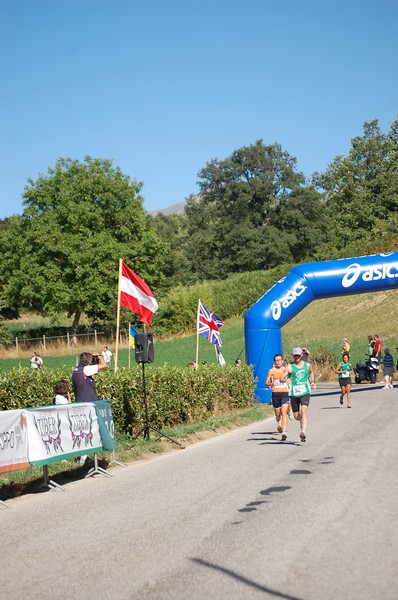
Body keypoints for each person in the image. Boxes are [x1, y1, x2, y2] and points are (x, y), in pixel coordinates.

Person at [72, 351, 108, 465]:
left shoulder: (76, 370)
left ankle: (84, 456)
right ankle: (84, 458)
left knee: (83, 431)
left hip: (80, 403)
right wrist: (99, 356)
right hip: (88, 404)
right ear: (89, 361)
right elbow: (105, 365)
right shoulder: (86, 369)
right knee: (89, 430)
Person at [280, 347, 316, 442]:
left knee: (304, 412)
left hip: (305, 392)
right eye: (295, 355)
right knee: (296, 416)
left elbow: (311, 372)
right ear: (293, 356)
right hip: (294, 393)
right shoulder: (289, 367)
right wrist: (286, 380)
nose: (297, 357)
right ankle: (301, 420)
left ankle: (303, 431)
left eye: (298, 355)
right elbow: (281, 378)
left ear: (301, 355)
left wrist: (312, 381)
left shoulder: (307, 365)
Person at [265, 354, 290, 441]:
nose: (278, 362)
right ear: (274, 362)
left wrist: (290, 381)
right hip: (275, 393)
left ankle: (284, 432)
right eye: (276, 360)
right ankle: (278, 422)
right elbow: (266, 383)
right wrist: (271, 384)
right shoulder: (271, 371)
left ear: (282, 361)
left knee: (284, 413)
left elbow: (292, 378)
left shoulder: (286, 370)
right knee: (277, 414)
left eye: (279, 360)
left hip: (285, 393)